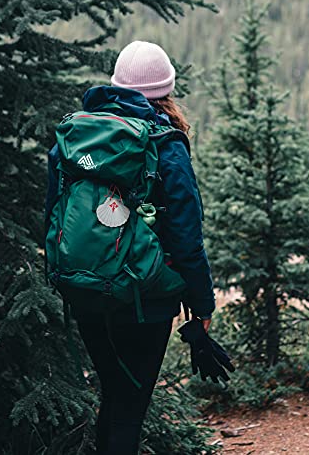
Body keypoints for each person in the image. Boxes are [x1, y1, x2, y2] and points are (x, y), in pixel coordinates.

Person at [45, 40, 215, 455]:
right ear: (166, 90)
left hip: (83, 291)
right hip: (145, 297)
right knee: (130, 408)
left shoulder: (76, 137)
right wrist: (202, 305)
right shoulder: (165, 143)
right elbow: (186, 235)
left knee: (114, 395)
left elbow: (52, 215)